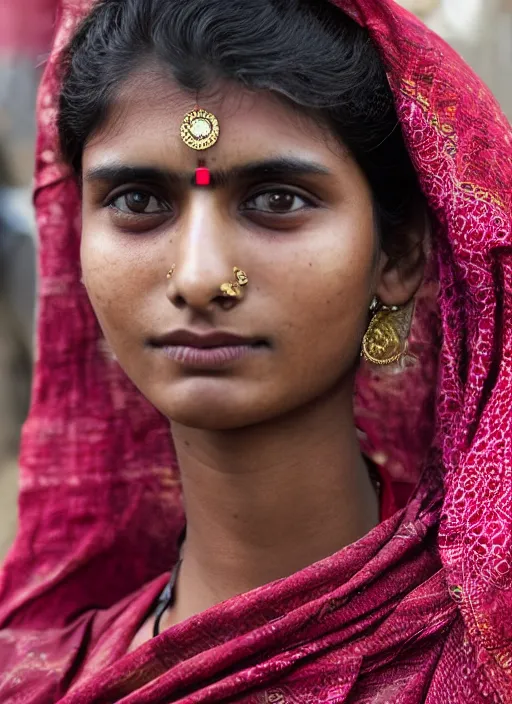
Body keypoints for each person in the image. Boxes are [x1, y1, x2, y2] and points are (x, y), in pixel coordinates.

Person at [0, 0, 510, 701]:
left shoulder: (484, 663)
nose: (201, 277)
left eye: (276, 199)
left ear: (398, 254)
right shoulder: (38, 679)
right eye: (138, 201)